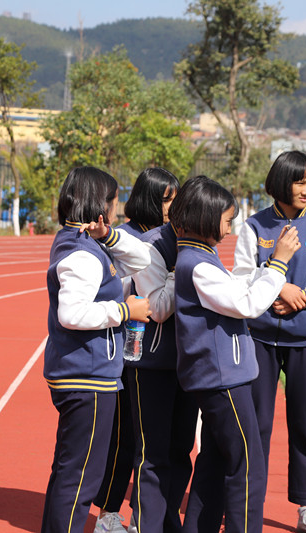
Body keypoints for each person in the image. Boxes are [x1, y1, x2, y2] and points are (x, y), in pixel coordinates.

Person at [172, 176, 300, 533]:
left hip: (221, 376)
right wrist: (279, 264)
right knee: (248, 468)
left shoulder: (199, 256)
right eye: (227, 221)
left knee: (214, 464)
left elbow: (236, 289)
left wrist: (267, 272)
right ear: (205, 218)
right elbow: (247, 305)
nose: (229, 230)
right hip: (222, 378)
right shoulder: (196, 264)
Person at [233, 151, 306, 533]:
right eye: (299, 182)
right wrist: (279, 285)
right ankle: (248, 507)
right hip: (259, 340)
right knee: (256, 426)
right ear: (280, 183)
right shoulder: (254, 226)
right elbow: (243, 276)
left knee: (303, 425)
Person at [42, 166, 152, 533]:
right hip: (86, 376)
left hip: (86, 371)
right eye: (114, 202)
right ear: (99, 205)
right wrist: (124, 310)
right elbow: (72, 313)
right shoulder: (82, 254)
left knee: (73, 470)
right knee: (80, 477)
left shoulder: (83, 242)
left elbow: (142, 260)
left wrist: (110, 236)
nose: (119, 210)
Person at [94, 167, 182, 533]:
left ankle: (144, 513)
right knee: (125, 435)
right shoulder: (124, 237)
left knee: (157, 439)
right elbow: (121, 288)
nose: (172, 207)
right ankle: (108, 512)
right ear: (149, 198)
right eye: (167, 199)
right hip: (127, 345)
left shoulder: (168, 237)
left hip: (159, 347)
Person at [122, 170, 198, 533]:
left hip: (189, 360)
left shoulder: (197, 242)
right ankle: (146, 526)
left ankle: (167, 524)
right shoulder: (150, 246)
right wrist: (180, 269)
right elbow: (158, 307)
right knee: (153, 456)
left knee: (182, 452)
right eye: (169, 200)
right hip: (151, 363)